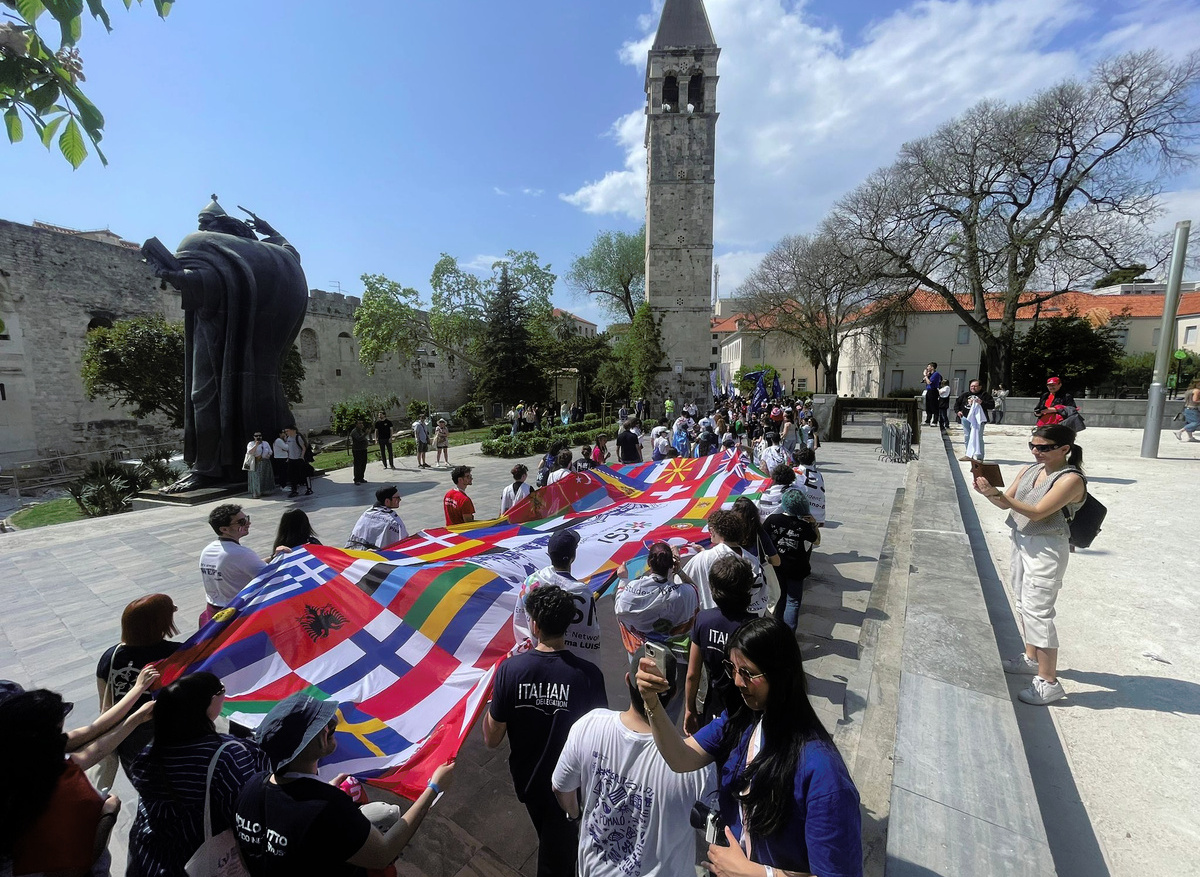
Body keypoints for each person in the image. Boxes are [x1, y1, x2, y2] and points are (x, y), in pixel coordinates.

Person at [636, 617, 863, 877]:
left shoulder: (824, 774)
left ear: (780, 675)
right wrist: (651, 702)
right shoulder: (742, 721)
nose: (736, 681)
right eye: (732, 668)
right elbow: (681, 757)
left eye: (748, 673)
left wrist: (755, 873)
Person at [147, 197, 308, 492]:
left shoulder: (204, 244)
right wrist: (271, 230)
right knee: (259, 396)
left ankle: (208, 470)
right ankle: (242, 467)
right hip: (249, 346)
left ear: (217, 225)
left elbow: (208, 284)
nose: (201, 228)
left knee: (203, 397)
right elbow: (291, 253)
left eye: (205, 223)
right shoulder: (268, 254)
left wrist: (178, 277)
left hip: (216, 337)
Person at [236, 692, 454, 876]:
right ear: (308, 743)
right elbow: (383, 854)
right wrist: (433, 789)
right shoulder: (326, 807)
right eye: (323, 725)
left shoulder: (252, 786)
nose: (332, 724)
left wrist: (320, 792)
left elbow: (248, 854)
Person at [552, 644, 715, 877]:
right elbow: (715, 833)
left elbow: (561, 787)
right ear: (674, 692)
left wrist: (575, 815)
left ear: (628, 680)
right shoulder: (696, 764)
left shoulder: (588, 725)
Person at [485, 586, 608, 877]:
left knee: (553, 850)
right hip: (571, 785)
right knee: (558, 850)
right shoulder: (589, 676)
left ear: (535, 625)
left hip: (528, 781)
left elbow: (491, 738)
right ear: (567, 624)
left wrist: (495, 699)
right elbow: (600, 738)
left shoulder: (510, 670)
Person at [973, 424, 1086, 706]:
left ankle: (1049, 682)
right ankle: (1030, 657)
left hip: (1047, 546)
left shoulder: (1071, 479)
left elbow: (1038, 512)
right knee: (1023, 603)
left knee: (1039, 611)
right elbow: (1005, 504)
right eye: (1032, 445)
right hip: (1021, 538)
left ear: (1064, 449)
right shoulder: (1029, 470)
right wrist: (988, 492)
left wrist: (998, 495)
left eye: (1044, 447)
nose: (1036, 451)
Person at [0, 679, 154, 877]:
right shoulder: (46, 792)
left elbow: (94, 737)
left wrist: (137, 711)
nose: (62, 732)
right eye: (57, 728)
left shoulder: (23, 759)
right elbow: (74, 868)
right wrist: (107, 816)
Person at [127, 672, 270, 877]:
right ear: (209, 704)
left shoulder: (149, 754)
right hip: (204, 862)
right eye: (221, 690)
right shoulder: (227, 755)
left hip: (150, 861)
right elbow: (246, 811)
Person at [96, 594, 181, 779]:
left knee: (142, 781)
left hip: (127, 737)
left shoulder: (110, 656)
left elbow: (105, 706)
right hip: (170, 733)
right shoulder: (177, 654)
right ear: (160, 623)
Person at [613, 542, 699, 721]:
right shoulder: (684, 593)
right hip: (676, 658)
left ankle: (642, 728)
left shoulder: (632, 589)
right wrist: (679, 572)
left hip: (642, 654)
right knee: (672, 701)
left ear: (648, 563)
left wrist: (623, 579)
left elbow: (620, 607)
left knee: (641, 697)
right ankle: (666, 732)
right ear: (672, 564)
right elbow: (694, 591)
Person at [686, 556, 756, 732]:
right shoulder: (756, 627)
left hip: (714, 705)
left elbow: (692, 674)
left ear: (713, 588)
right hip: (747, 708)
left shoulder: (703, 620)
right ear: (748, 587)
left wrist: (689, 709)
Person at [513, 530, 601, 663]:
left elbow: (520, 622)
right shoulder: (583, 592)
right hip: (571, 665)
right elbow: (590, 635)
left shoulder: (530, 582)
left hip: (535, 658)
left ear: (549, 554)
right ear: (573, 556)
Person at [684, 509, 766, 615]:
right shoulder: (753, 560)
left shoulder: (704, 558)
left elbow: (683, 584)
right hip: (750, 617)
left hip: (716, 618)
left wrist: (677, 568)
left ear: (712, 530)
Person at [198, 504, 266, 627]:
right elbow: (271, 575)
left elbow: (239, 567)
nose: (248, 523)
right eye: (241, 522)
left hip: (213, 613)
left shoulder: (207, 550)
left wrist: (272, 557)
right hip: (236, 615)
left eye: (247, 518)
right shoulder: (240, 553)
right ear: (224, 529)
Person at [763, 490, 821, 631]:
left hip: (776, 566)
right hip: (796, 569)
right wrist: (814, 523)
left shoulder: (772, 519)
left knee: (779, 598)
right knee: (793, 601)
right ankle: (789, 634)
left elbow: (763, 538)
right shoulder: (804, 525)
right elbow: (817, 541)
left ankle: (777, 630)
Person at [346, 485, 408, 551]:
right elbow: (404, 543)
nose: (400, 500)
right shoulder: (394, 521)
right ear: (387, 501)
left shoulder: (367, 513)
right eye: (397, 498)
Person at [954, 379, 994, 461]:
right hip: (966, 418)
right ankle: (968, 455)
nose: (973, 388)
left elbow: (992, 405)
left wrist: (981, 402)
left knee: (978, 437)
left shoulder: (985, 395)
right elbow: (957, 403)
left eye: (975, 386)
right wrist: (958, 411)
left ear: (980, 387)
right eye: (972, 386)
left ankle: (979, 456)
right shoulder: (965, 395)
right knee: (967, 436)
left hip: (978, 420)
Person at [246, 431, 275, 498]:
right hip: (255, 462)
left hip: (265, 462)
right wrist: (256, 445)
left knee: (264, 477)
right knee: (256, 478)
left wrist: (267, 455)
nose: (258, 437)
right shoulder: (251, 443)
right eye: (256, 436)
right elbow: (250, 452)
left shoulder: (265, 443)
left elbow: (270, 451)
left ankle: (264, 491)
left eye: (260, 435)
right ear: (254, 437)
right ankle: (256, 492)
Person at [349, 419, 370, 484]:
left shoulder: (361, 430)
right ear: (356, 425)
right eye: (360, 423)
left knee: (363, 464)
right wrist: (366, 433)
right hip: (357, 450)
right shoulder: (354, 431)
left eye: (362, 423)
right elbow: (359, 438)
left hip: (363, 449)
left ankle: (361, 478)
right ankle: (356, 479)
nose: (361, 425)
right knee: (358, 465)